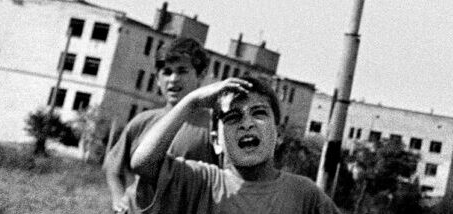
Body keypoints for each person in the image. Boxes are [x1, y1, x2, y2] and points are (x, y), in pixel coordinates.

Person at [128, 75, 332, 214]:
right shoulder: (202, 182)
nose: (247, 124)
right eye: (233, 117)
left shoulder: (304, 194)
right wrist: (192, 101)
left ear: (277, 133)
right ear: (216, 141)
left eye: (259, 113)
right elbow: (143, 162)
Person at [103, 37, 221, 214]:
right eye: (166, 72)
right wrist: (118, 199)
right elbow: (112, 167)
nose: (173, 79)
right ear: (157, 79)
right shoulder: (143, 122)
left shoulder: (213, 125)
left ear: (201, 75)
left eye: (182, 71)